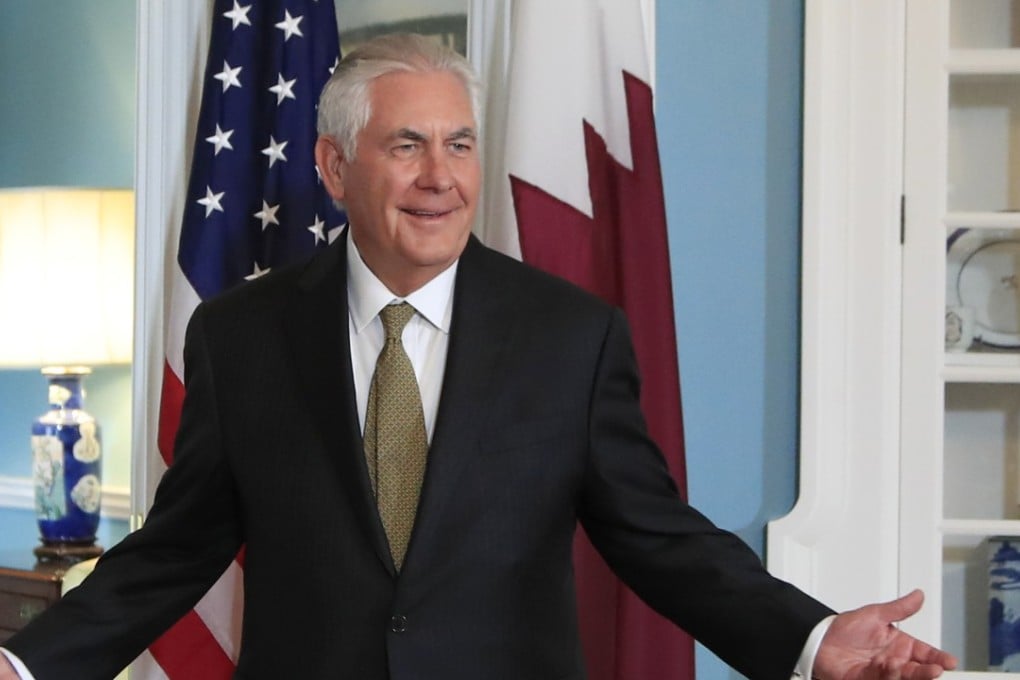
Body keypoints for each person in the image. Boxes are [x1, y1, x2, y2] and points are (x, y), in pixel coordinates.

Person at [0, 33, 956, 680]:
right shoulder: (241, 336)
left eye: (458, 144)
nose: (440, 177)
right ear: (335, 169)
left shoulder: (570, 336)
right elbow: (177, 551)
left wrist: (815, 638)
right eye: (406, 145)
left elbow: (659, 540)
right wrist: (24, 663)